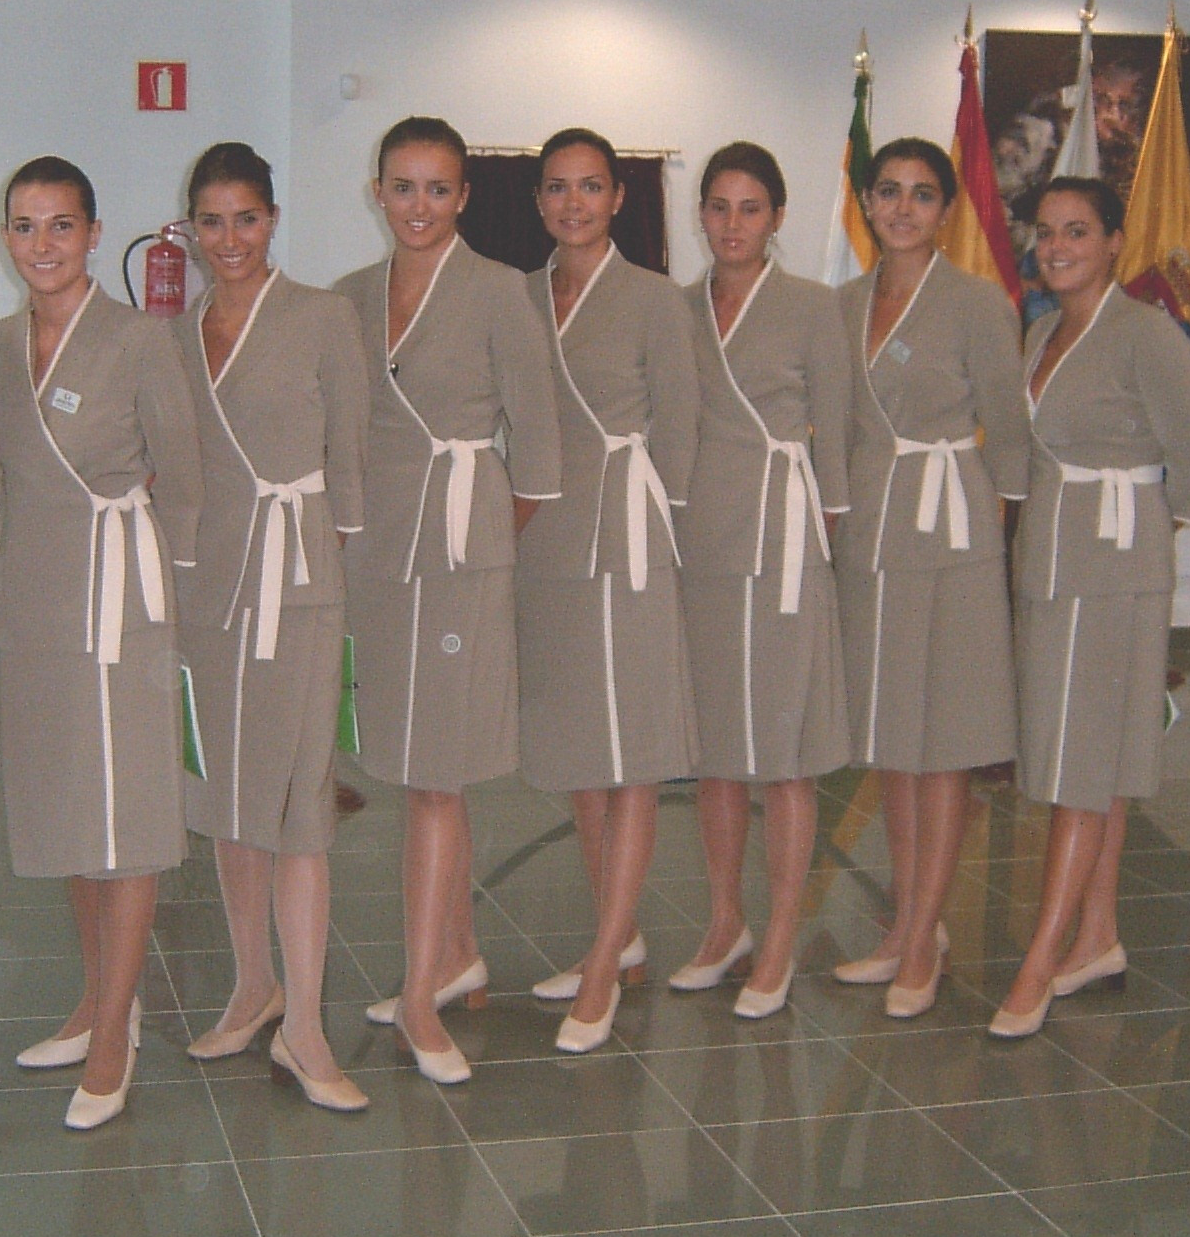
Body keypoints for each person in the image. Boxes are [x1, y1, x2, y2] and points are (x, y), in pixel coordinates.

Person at [336, 116, 561, 1083]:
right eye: (403, 187)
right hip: (380, 555)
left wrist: (479, 545)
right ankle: (456, 952)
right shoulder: (349, 297)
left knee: (439, 775)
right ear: (377, 192)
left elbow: (539, 449)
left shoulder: (500, 291)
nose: (419, 206)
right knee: (415, 767)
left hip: (463, 554)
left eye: (438, 188)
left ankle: (422, 996)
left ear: (464, 197)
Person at [0, 157, 202, 1125]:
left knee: (128, 818)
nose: (43, 245)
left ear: (94, 234)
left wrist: (169, 607)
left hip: (123, 601)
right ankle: (95, 999)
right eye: (26, 226)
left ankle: (114, 1035)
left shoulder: (140, 339)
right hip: (34, 600)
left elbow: (184, 477)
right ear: (6, 238)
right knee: (71, 807)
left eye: (61, 225)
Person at [992, 176, 1190, 1039]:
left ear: (1115, 242)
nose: (1056, 247)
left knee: (1080, 771)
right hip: (1050, 570)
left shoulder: (1149, 335)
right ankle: (1097, 938)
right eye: (1046, 231)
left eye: (1077, 231)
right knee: (1094, 761)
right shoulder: (1041, 332)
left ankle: (1040, 961)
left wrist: (1130, 535)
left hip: (1115, 577)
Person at [172, 142, 371, 1112]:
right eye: (211, 221)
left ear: (273, 219)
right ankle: (253, 987)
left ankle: (307, 1026)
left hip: (298, 585)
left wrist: (336, 583)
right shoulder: (175, 335)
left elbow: (352, 459)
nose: (229, 239)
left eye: (245, 218)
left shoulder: (322, 317)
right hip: (209, 588)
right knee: (227, 796)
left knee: (298, 810)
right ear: (189, 229)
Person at [830, 138, 1029, 1018]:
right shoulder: (841, 305)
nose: (902, 208)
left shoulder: (978, 304)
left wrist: (1002, 547)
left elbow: (1011, 435)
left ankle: (920, 943)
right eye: (888, 191)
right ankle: (911, 922)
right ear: (868, 203)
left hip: (952, 539)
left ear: (946, 210)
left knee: (943, 745)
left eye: (921, 194)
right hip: (871, 538)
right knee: (893, 746)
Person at [515, 128, 699, 1053]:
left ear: (619, 197)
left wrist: (660, 536)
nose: (573, 204)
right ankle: (613, 937)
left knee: (631, 757)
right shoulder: (519, 297)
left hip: (627, 540)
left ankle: (602, 971)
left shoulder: (655, 299)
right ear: (538, 200)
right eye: (557, 187)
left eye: (591, 186)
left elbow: (683, 429)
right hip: (547, 544)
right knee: (584, 752)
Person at [673, 142, 850, 1019]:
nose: (732, 224)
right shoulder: (678, 310)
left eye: (750, 208)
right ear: (700, 214)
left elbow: (839, 438)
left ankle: (780, 933)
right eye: (718, 207)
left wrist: (821, 545)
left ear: (777, 217)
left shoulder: (813, 307)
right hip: (704, 543)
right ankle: (724, 923)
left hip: (783, 542)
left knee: (782, 755)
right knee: (714, 752)